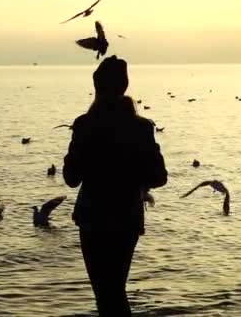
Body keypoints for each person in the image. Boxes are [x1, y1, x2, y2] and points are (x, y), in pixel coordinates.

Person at [63, 56, 167, 316]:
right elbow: (159, 177)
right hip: (127, 219)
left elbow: (71, 177)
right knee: (115, 290)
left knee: (105, 293)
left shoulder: (85, 125)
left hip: (93, 219)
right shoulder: (142, 127)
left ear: (97, 87)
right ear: (124, 86)